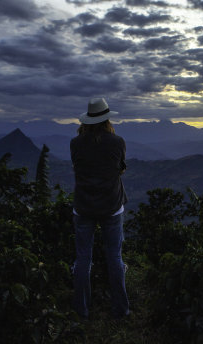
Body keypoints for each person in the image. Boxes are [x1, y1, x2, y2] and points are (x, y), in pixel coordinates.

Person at [70, 98, 130, 320]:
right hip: (111, 206)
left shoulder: (75, 143)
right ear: (107, 119)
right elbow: (119, 168)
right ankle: (120, 310)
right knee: (114, 256)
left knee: (83, 258)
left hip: (84, 207)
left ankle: (81, 310)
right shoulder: (117, 142)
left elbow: (78, 168)